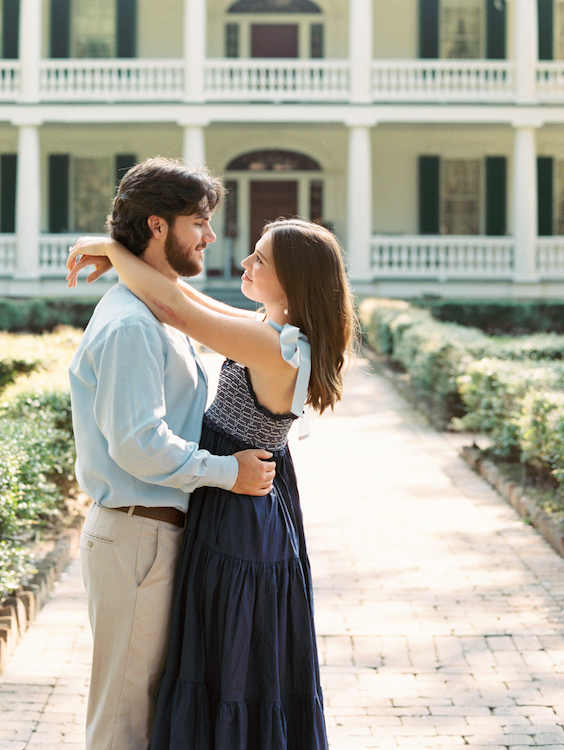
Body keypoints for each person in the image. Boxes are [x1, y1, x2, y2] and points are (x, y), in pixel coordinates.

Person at [67, 213, 355, 750]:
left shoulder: (275, 348)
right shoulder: (273, 333)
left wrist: (113, 247)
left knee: (227, 664)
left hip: (240, 507)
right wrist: (126, 256)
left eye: (260, 259)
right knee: (213, 660)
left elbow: (176, 308)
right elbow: (185, 299)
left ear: (293, 281)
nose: (244, 263)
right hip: (238, 498)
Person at [67, 157, 277, 750]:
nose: (212, 236)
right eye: (199, 222)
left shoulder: (161, 309)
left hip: (157, 536)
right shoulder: (134, 325)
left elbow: (180, 299)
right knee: (124, 716)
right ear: (158, 227)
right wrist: (226, 473)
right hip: (139, 537)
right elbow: (138, 444)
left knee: (148, 706)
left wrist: (112, 247)